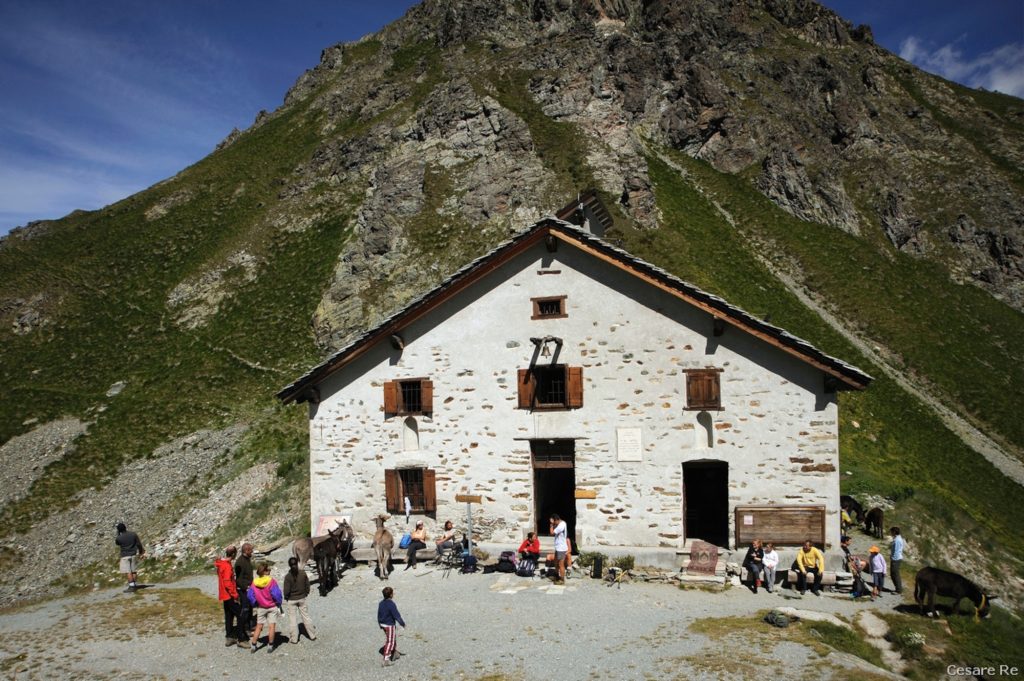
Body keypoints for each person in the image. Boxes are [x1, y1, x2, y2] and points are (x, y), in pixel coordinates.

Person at [216, 546, 247, 648]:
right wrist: (235, 595)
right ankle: (241, 639)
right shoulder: (227, 566)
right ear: (233, 554)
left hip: (224, 595)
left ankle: (229, 637)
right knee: (241, 614)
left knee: (229, 615)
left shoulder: (221, 564)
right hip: (229, 595)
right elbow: (227, 582)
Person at [247, 562, 283, 653]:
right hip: (271, 606)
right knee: (272, 626)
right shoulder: (271, 581)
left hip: (261, 607)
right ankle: (270, 645)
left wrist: (255, 603)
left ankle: (254, 645)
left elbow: (250, 595)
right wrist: (278, 603)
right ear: (265, 571)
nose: (269, 571)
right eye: (268, 570)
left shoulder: (254, 582)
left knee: (259, 626)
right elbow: (276, 594)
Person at [283, 556, 317, 644]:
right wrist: (306, 593)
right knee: (306, 617)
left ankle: (294, 639)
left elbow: (286, 591)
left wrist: (286, 597)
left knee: (292, 619)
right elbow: (307, 585)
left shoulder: (288, 576)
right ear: (297, 563)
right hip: (302, 598)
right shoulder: (303, 573)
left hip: (291, 600)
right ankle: (312, 635)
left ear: (289, 565)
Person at [377, 586, 406, 667]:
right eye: (392, 593)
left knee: (392, 638)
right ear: (390, 595)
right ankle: (386, 659)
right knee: (390, 641)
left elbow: (378, 614)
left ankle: (394, 653)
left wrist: (380, 623)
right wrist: (402, 623)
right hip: (389, 625)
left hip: (383, 624)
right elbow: (396, 615)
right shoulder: (391, 604)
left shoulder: (381, 603)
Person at [114, 522, 145, 591]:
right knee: (133, 571)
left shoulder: (119, 538)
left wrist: (118, 534)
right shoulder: (133, 534)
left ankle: (131, 586)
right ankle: (134, 584)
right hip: (133, 554)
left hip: (125, 556)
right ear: (125, 527)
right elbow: (138, 544)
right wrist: (141, 552)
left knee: (128, 571)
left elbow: (117, 543)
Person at [235, 543, 255, 635]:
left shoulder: (247, 559)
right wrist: (245, 587)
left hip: (249, 588)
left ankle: (250, 626)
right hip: (243, 590)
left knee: (250, 607)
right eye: (251, 550)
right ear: (246, 550)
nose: (252, 552)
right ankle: (245, 629)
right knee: (245, 608)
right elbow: (239, 579)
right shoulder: (240, 562)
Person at [550, 514, 568, 585]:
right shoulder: (560, 523)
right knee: (556, 562)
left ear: (557, 520)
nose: (554, 523)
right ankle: (556, 575)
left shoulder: (561, 525)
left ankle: (562, 579)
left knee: (561, 564)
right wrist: (553, 524)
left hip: (561, 548)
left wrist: (551, 525)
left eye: (554, 522)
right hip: (558, 547)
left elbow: (552, 532)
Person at [889, 527, 904, 595]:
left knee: (895, 574)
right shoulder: (897, 539)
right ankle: (898, 588)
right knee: (893, 574)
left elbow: (896, 551)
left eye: (891, 532)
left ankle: (898, 590)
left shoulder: (897, 540)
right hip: (895, 558)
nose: (891, 533)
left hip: (896, 559)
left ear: (894, 532)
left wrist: (893, 558)